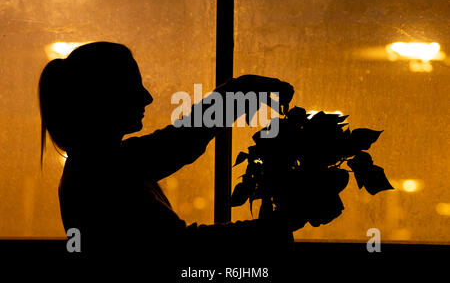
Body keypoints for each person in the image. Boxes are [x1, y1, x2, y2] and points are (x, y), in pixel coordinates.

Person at [38, 42, 309, 261]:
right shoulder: (100, 174)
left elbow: (183, 140)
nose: (147, 97)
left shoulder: (102, 162)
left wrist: (241, 90)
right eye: (134, 86)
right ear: (105, 97)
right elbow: (182, 250)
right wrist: (276, 228)